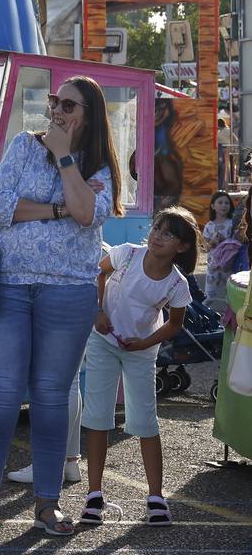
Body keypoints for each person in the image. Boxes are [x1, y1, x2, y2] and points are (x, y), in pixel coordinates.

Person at [0, 75, 120, 538]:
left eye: (69, 106)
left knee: (52, 398)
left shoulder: (98, 164)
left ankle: (47, 504)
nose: (57, 111)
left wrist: (63, 158)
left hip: (69, 290)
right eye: (56, 102)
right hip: (11, 284)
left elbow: (88, 213)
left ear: (89, 115)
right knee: (0, 395)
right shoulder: (21, 145)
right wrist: (56, 208)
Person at [80, 207, 196, 528]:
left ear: (182, 247)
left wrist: (145, 344)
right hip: (103, 341)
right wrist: (98, 312)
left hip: (141, 352)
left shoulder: (177, 284)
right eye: (157, 228)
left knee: (145, 419)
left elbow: (174, 324)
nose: (158, 236)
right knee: (98, 416)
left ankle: (156, 497)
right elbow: (96, 274)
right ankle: (94, 495)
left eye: (168, 234)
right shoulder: (127, 254)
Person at [203, 191, 238, 309]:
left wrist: (226, 241)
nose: (224, 205)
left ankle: (231, 321)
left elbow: (238, 242)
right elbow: (205, 247)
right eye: (220, 202)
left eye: (227, 203)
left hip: (229, 267)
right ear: (213, 206)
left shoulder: (232, 224)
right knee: (208, 297)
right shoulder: (209, 226)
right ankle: (203, 318)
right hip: (213, 267)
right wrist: (213, 241)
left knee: (232, 296)